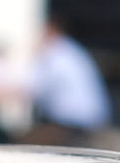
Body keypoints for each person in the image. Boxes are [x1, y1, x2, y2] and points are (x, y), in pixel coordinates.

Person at [23, 16, 110, 145]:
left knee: (24, 146)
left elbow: (34, 89)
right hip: (88, 121)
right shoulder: (71, 50)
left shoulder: (57, 54)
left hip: (73, 124)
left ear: (49, 32)